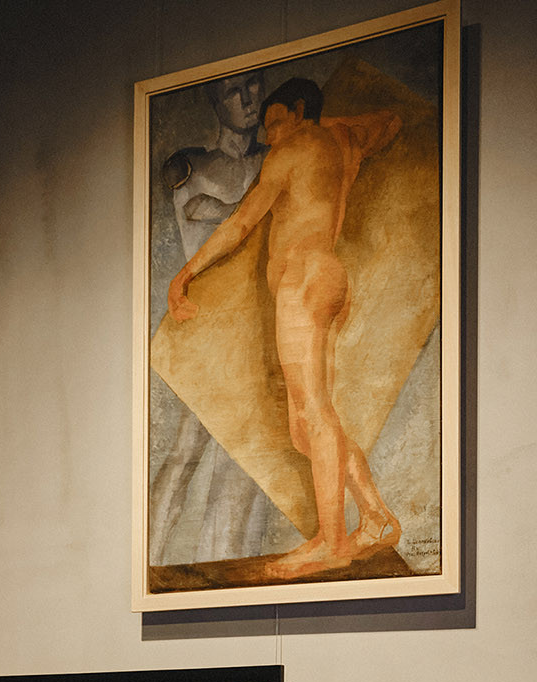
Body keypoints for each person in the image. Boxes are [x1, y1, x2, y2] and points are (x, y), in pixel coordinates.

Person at [167, 75, 403, 580]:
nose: (268, 134)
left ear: (297, 111)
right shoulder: (341, 141)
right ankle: (376, 517)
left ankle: (332, 543)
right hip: (330, 278)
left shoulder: (290, 150)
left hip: (302, 280)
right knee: (309, 424)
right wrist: (323, 123)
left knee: (312, 415)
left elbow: (240, 224)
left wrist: (186, 274)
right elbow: (390, 123)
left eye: (275, 122)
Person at [151, 70, 279, 566]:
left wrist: (228, 208)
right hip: (209, 327)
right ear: (214, 102)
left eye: (254, 84)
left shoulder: (277, 158)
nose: (248, 98)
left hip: (258, 329)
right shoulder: (191, 166)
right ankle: (150, 561)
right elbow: (199, 212)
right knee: (186, 449)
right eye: (233, 91)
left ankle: (221, 563)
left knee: (246, 459)